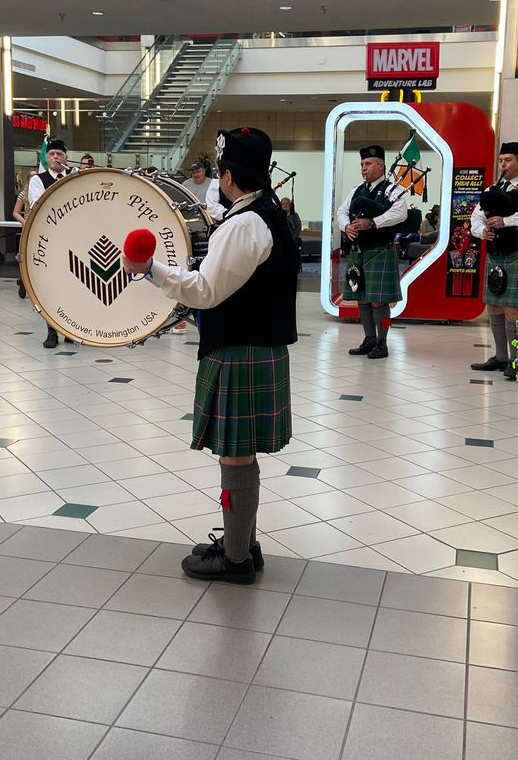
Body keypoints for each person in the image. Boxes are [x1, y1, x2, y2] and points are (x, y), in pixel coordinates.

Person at [122, 127, 297, 584]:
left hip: (240, 350)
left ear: (227, 175)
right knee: (241, 456)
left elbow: (204, 290)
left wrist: (150, 269)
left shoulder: (245, 224)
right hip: (255, 346)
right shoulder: (261, 212)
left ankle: (236, 559)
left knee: (235, 458)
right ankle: (245, 545)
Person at [469, 142, 518, 379]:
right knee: (494, 307)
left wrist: (507, 221)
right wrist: (482, 231)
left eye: (508, 160)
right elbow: (476, 216)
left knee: (513, 310)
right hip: (495, 253)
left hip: (517, 253)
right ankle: (501, 357)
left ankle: (517, 360)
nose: (503, 164)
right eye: (501, 160)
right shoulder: (493, 188)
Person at [337, 145, 409, 359]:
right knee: (362, 298)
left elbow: (401, 213)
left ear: (381, 166)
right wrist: (346, 226)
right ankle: (369, 339)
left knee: (380, 302)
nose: (364, 168)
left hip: (380, 251)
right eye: (362, 164)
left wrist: (374, 223)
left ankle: (383, 341)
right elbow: (342, 211)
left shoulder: (391, 189)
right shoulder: (356, 190)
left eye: (368, 164)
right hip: (358, 252)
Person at [28, 138, 70, 348]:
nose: (55, 157)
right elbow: (39, 204)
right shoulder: (38, 180)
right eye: (52, 154)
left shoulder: (73, 177)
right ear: (46, 157)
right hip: (49, 241)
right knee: (51, 287)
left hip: (73, 239)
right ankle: (52, 330)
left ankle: (71, 329)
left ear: (66, 158)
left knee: (72, 285)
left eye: (59, 154)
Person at [279, 196, 303, 270]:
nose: (284, 205)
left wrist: (293, 237)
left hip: (293, 239)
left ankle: (295, 266)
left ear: (290, 205)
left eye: (286, 204)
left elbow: (298, 227)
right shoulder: (279, 216)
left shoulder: (294, 215)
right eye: (283, 204)